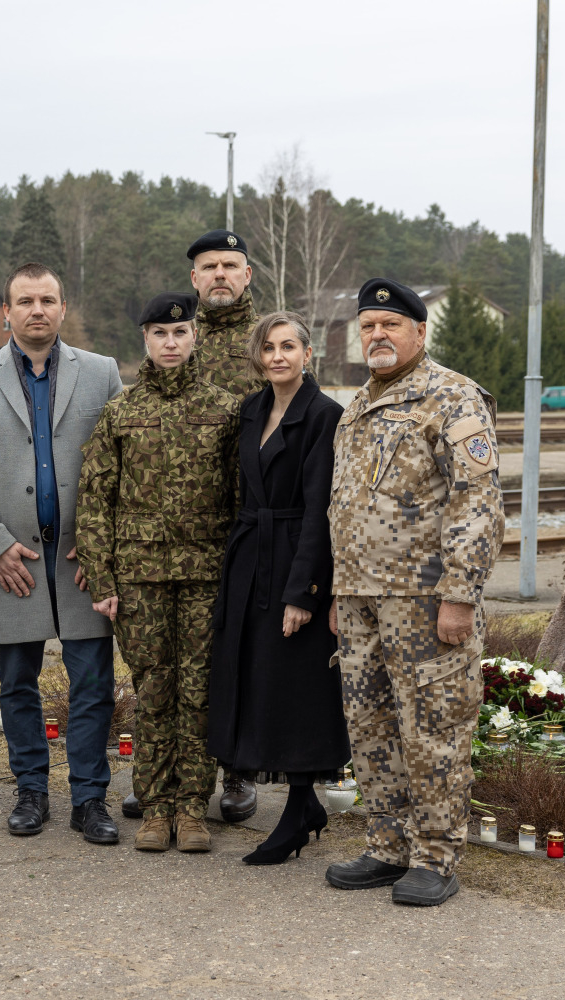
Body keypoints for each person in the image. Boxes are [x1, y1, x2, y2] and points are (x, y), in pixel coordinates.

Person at [324, 278, 505, 907]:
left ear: (419, 333)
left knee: (433, 726)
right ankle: (388, 844)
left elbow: (476, 502)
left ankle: (436, 853)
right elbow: (345, 506)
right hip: (360, 599)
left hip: (424, 601)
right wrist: (339, 591)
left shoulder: (451, 398)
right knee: (370, 725)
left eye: (391, 325)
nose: (377, 335)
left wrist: (459, 594)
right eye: (368, 325)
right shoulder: (355, 406)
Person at [0, 262, 125, 844]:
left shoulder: (101, 373)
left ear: (64, 308)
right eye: (25, 301)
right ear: (7, 311)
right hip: (12, 558)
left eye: (48, 300)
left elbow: (121, 465)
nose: (37, 310)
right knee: (16, 681)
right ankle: (30, 790)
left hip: (80, 560)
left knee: (93, 681)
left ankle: (90, 797)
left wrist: (100, 548)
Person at [77, 291, 240, 853]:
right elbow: (95, 499)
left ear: (194, 336)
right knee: (153, 689)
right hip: (140, 577)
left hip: (205, 575)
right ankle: (154, 807)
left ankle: (193, 806)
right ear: (144, 340)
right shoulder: (121, 412)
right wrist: (102, 579)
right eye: (158, 335)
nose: (170, 343)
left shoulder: (225, 408)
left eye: (179, 333)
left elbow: (242, 501)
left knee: (199, 691)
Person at [207, 311, 349, 865]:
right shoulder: (251, 410)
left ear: (307, 354)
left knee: (296, 689)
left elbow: (321, 510)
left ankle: (298, 809)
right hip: (250, 558)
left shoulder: (324, 416)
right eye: (268, 348)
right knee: (257, 680)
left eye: (288, 346)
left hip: (296, 557)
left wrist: (304, 592)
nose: (278, 357)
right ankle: (299, 806)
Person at [185, 227, 265, 823]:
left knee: (239, 654)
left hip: (248, 525)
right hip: (185, 526)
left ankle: (238, 774)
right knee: (180, 658)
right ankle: (177, 776)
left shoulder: (267, 341)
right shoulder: (176, 336)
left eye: (229, 265)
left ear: (247, 274)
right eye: (208, 266)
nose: (219, 275)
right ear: (194, 278)